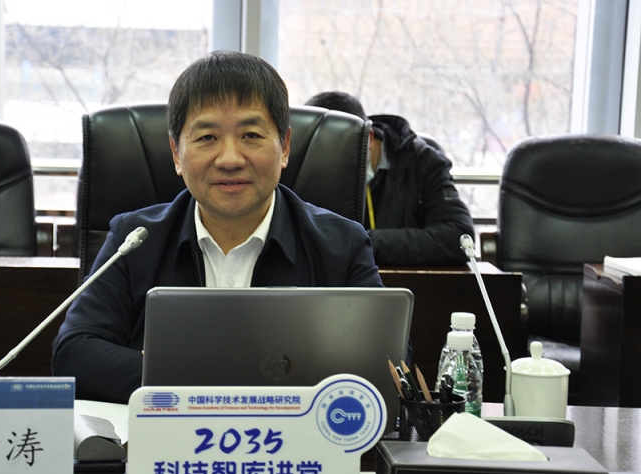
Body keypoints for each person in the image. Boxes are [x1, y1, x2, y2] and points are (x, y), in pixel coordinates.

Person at [53, 52, 384, 403]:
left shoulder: (341, 245)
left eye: (251, 135)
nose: (229, 159)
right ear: (176, 153)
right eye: (207, 137)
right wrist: (220, 382)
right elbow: (74, 354)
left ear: (284, 147)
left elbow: (386, 363)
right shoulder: (134, 241)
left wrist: (176, 374)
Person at [304, 91, 475, 266]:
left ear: (368, 138)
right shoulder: (305, 165)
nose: (328, 163)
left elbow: (459, 236)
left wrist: (359, 242)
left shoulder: (423, 161)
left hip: (404, 278)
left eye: (336, 151)